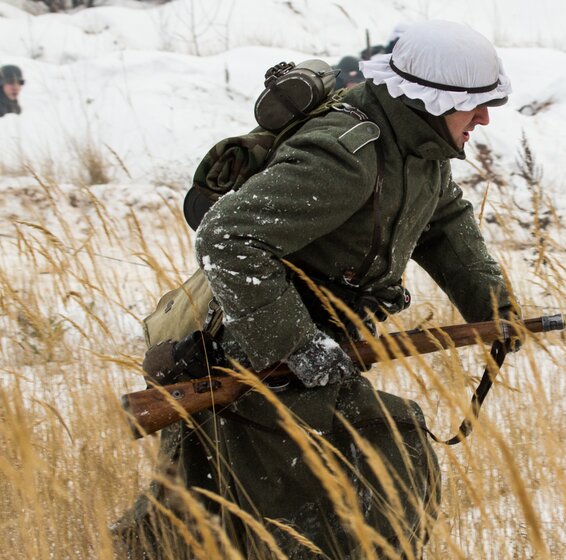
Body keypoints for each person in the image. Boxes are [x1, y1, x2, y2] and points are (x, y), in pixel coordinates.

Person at [114, 20, 516, 559]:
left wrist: (494, 308)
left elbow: (443, 222)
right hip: (254, 353)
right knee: (359, 484)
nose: (485, 118)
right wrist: (294, 346)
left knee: (213, 511)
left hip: (305, 348)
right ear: (434, 98)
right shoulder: (349, 156)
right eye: (476, 103)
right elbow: (226, 236)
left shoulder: (417, 148)